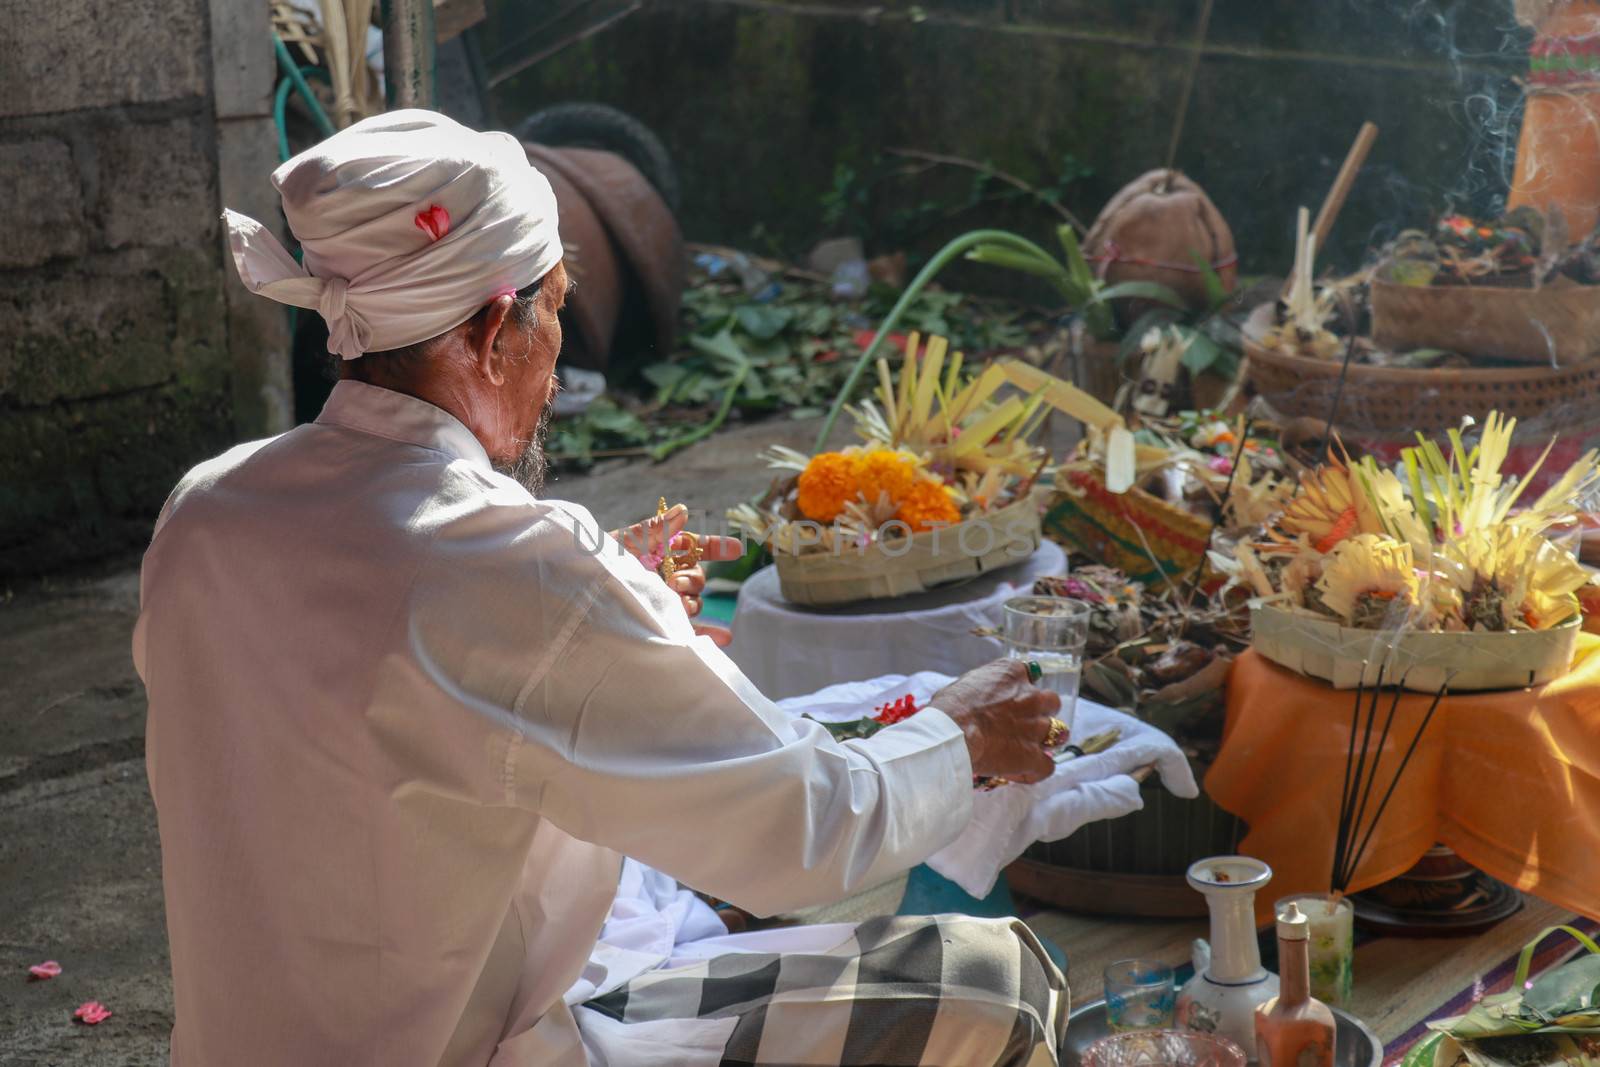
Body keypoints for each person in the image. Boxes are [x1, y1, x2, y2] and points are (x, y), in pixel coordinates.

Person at [134, 110, 1069, 1067]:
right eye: (558, 315)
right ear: (498, 332)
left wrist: (600, 603)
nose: (560, 367)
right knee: (999, 990)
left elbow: (378, 697)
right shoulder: (513, 563)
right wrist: (961, 731)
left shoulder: (205, 511)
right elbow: (809, 828)